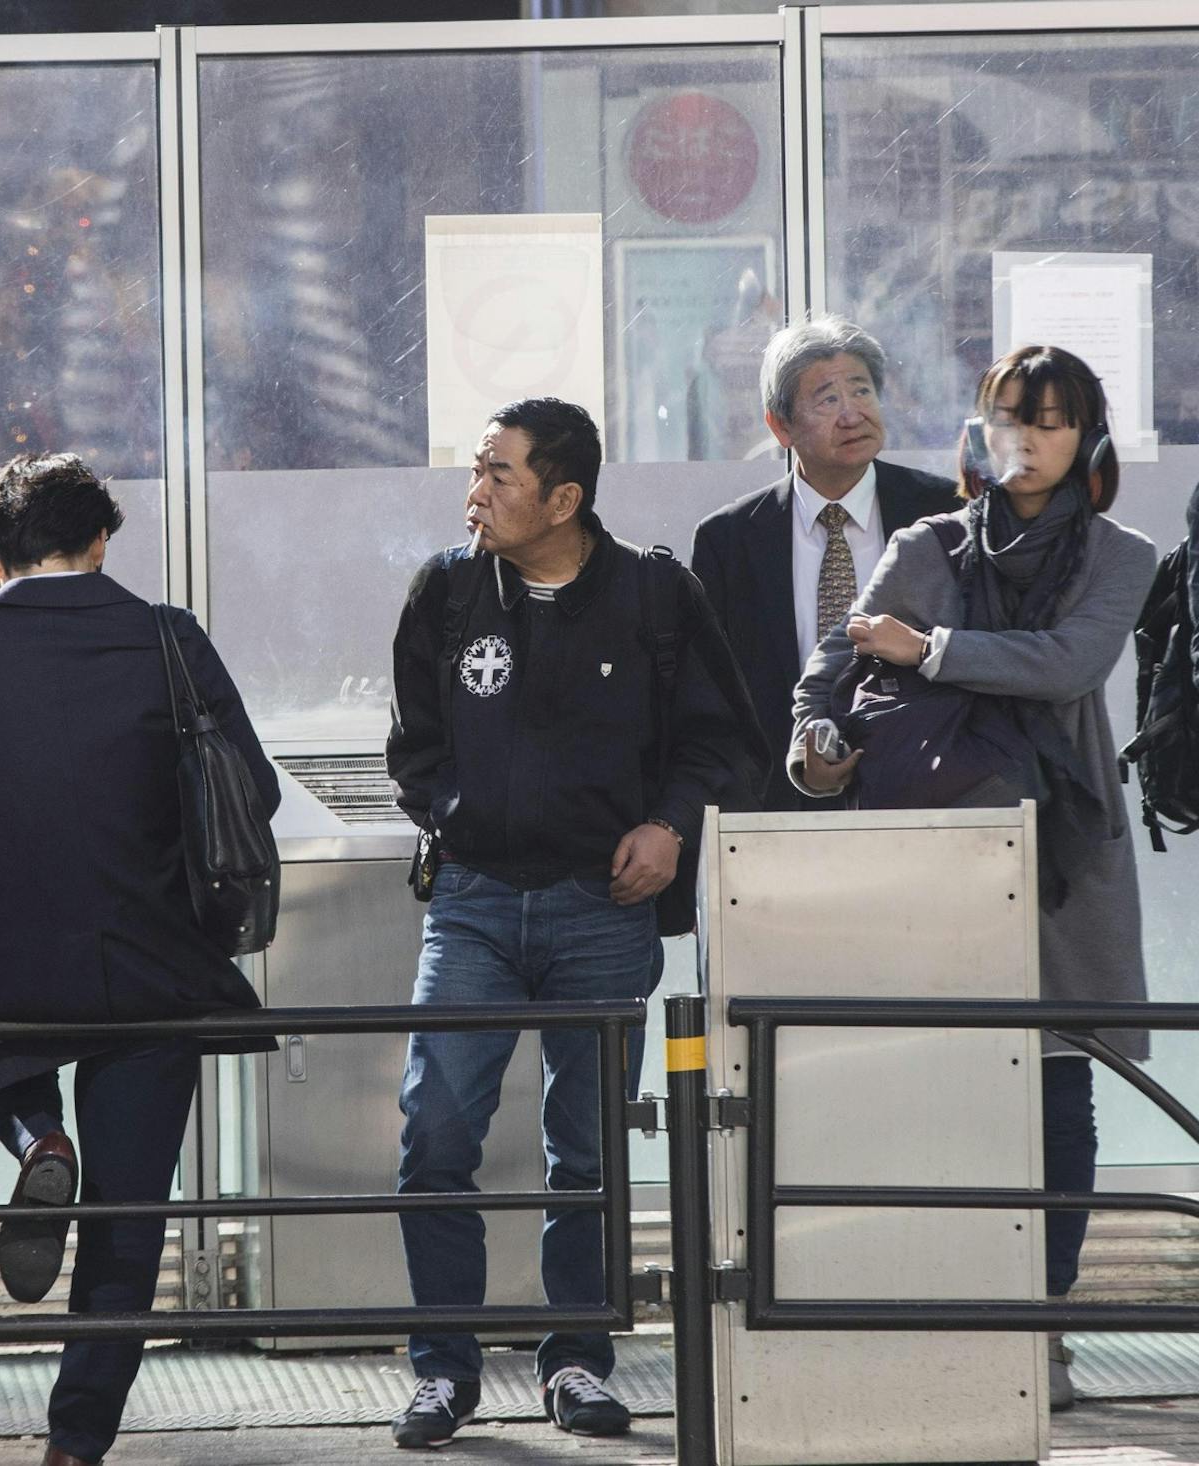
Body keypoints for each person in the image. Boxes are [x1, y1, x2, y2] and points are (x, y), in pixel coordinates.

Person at [385, 398, 761, 1449]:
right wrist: (456, 819)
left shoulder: (652, 592)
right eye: (476, 470)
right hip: (470, 905)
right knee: (436, 1132)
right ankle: (442, 1370)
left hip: (604, 906)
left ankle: (579, 1360)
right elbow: (412, 747)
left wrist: (668, 826)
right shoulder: (449, 590)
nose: (476, 493)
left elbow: (718, 740)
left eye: (498, 475)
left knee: (586, 1145)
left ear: (565, 497)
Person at [0, 453, 279, 1466]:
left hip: (3, 964)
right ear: (103, 539)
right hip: (154, 964)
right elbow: (255, 792)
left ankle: (31, 1137)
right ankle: (76, 1441)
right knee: (128, 1217)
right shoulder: (168, 638)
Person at [791, 345, 1154, 1412]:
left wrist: (932, 648)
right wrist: (814, 743)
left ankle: (1043, 1321)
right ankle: (932, 1316)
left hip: (1060, 854)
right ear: (980, 427)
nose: (1028, 440)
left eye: (1051, 420)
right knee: (928, 1083)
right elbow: (837, 663)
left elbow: (1069, 662)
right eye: (1010, 417)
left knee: (1057, 1085)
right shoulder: (927, 541)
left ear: (1087, 435)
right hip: (929, 852)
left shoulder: (1119, 552)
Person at [691, 317, 958, 810]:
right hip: (779, 805)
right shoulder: (728, 540)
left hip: (924, 791)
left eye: (861, 391)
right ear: (780, 425)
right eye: (827, 399)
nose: (852, 414)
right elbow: (713, 693)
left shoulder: (945, 513)